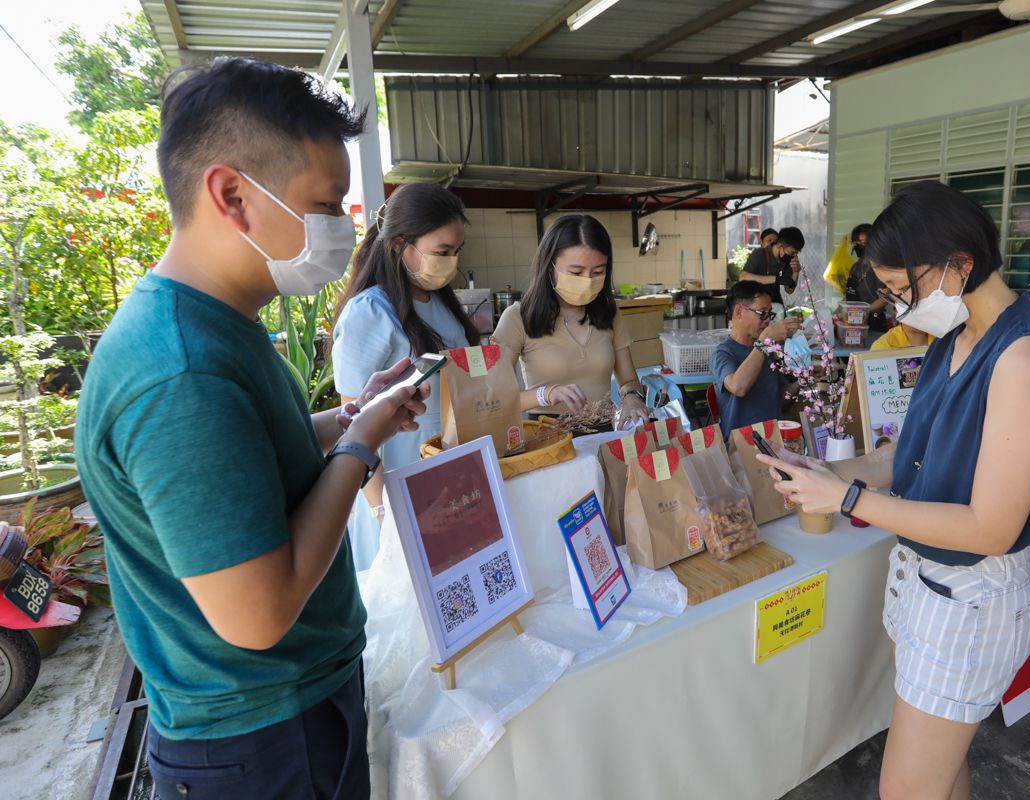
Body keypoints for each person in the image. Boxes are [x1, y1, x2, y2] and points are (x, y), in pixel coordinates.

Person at [75, 58, 430, 799]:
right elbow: (259, 615)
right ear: (232, 194)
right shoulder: (182, 373)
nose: (341, 227)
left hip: (280, 710)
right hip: (261, 734)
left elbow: (247, 457)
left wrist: (343, 420)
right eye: (327, 203)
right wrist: (361, 448)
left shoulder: (215, 326)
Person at [757, 181, 1030, 800]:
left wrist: (849, 502)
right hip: (922, 585)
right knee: (940, 772)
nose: (900, 309)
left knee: (906, 789)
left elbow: (991, 528)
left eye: (906, 290)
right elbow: (906, 456)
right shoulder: (951, 343)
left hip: (969, 602)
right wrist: (829, 474)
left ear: (960, 262)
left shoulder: (1025, 358)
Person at [331, 183, 479, 570]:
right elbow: (352, 429)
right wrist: (383, 510)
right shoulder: (370, 312)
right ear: (400, 245)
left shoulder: (439, 302)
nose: (451, 260)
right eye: (442, 252)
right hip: (394, 492)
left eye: (456, 251)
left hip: (446, 482)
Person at [492, 214, 652, 431]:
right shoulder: (518, 317)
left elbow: (628, 381)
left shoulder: (609, 314)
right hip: (547, 436)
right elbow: (494, 399)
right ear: (550, 267)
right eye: (576, 272)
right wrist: (546, 394)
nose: (587, 281)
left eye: (598, 272)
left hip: (602, 432)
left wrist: (632, 398)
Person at [709, 280, 802, 439]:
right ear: (739, 311)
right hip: (741, 446)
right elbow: (738, 387)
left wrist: (802, 381)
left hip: (774, 438)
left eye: (770, 314)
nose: (767, 320)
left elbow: (779, 399)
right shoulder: (723, 353)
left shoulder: (766, 350)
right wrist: (764, 343)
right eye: (762, 313)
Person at [740, 225, 804, 306]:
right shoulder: (759, 254)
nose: (794, 256)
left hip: (774, 304)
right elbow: (742, 277)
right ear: (780, 246)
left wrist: (796, 272)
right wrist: (775, 279)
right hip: (755, 305)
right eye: (792, 252)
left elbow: (789, 290)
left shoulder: (786, 260)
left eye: (796, 253)